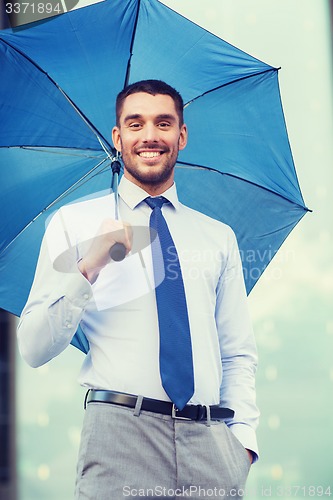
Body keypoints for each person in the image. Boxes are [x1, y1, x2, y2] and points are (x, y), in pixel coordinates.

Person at [17, 80, 259, 499]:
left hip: (211, 445)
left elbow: (236, 351)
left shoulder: (218, 237)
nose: (149, 136)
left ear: (181, 135)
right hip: (120, 440)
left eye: (163, 123)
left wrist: (242, 445)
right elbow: (34, 347)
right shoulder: (74, 224)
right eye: (135, 124)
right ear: (118, 137)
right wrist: (89, 263)